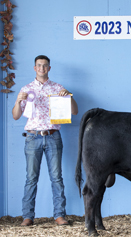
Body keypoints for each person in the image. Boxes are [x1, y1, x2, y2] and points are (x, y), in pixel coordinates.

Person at [12, 55, 78, 226]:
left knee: (56, 177)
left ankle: (59, 215)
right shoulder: (26, 89)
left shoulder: (58, 88)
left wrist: (68, 97)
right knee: (31, 178)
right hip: (32, 137)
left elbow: (75, 112)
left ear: (49, 68)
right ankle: (28, 216)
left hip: (53, 136)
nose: (42, 68)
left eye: (45, 66)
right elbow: (16, 116)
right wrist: (19, 101)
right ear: (35, 68)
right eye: (39, 65)